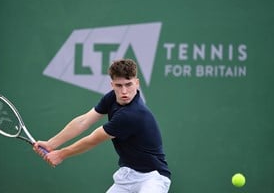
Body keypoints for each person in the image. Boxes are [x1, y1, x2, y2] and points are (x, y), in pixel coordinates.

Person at [34, 59, 171, 192]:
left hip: (153, 178)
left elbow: (93, 139)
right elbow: (84, 121)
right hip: (127, 175)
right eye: (119, 85)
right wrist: (51, 144)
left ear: (137, 83)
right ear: (112, 85)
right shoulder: (111, 98)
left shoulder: (133, 114)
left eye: (128, 84)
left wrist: (61, 154)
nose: (124, 91)